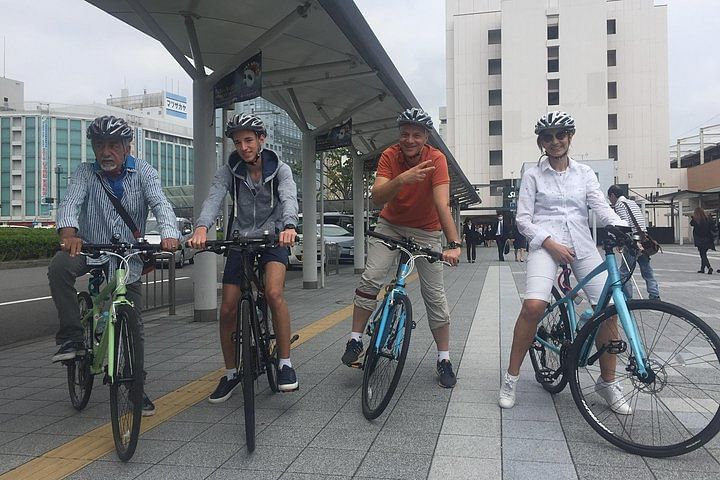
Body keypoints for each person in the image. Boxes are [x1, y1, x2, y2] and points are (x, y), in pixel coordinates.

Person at [498, 111, 631, 414]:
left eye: (561, 135)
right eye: (548, 137)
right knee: (534, 306)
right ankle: (512, 377)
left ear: (570, 137)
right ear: (541, 143)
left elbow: (599, 205)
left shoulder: (584, 173)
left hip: (582, 245)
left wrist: (623, 227)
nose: (555, 141)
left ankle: (608, 382)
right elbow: (523, 220)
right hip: (546, 246)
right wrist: (549, 243)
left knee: (609, 311)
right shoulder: (532, 175)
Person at [50, 115, 180, 416]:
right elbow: (71, 202)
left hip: (127, 256)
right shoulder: (85, 172)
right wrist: (69, 235)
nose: (104, 151)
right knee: (59, 267)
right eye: (98, 145)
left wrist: (169, 235)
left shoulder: (144, 171)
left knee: (133, 322)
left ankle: (135, 388)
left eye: (112, 145)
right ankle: (71, 337)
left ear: (126, 146)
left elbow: (161, 204)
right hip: (91, 247)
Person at [340, 107, 462, 388]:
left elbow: (442, 204)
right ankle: (355, 339)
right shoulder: (390, 156)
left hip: (427, 230)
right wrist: (403, 179)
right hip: (390, 225)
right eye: (405, 134)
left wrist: (453, 244)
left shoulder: (436, 159)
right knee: (372, 277)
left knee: (435, 296)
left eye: (416, 135)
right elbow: (377, 198)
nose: (409, 140)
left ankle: (443, 358)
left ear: (426, 137)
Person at [188, 113, 300, 403]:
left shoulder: (281, 168)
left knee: (274, 293)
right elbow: (214, 197)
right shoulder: (230, 169)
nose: (244, 147)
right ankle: (230, 373)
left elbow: (289, 197)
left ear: (261, 139)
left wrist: (289, 226)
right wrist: (202, 227)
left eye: (249, 140)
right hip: (239, 239)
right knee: (227, 308)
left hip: (274, 237)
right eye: (238, 142)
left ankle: (285, 363)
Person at [608, 185, 660, 299]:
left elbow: (624, 224)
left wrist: (619, 242)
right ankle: (654, 294)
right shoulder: (632, 203)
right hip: (644, 240)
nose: (610, 201)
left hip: (632, 241)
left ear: (612, 195)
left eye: (609, 198)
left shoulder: (620, 205)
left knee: (624, 272)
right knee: (646, 270)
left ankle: (627, 298)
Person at [690, 207, 716, 274]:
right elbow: (713, 227)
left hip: (700, 240)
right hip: (708, 240)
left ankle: (709, 267)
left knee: (703, 255)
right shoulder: (708, 219)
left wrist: (693, 217)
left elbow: (691, 224)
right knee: (703, 254)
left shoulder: (696, 220)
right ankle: (702, 269)